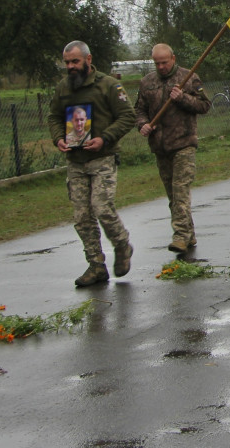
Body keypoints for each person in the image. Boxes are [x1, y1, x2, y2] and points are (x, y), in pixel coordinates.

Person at [47, 40, 136, 287]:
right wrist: (58, 139)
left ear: (88, 59)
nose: (70, 67)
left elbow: (128, 116)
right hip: (75, 160)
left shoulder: (108, 85)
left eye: (75, 61)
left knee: (102, 208)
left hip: (102, 158)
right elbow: (54, 116)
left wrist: (104, 138)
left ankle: (122, 244)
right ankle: (96, 264)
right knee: (82, 216)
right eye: (66, 62)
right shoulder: (63, 88)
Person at [134, 43, 211, 254]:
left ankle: (179, 236)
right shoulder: (146, 82)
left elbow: (204, 105)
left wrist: (182, 98)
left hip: (184, 143)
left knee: (180, 191)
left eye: (164, 62)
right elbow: (139, 110)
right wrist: (143, 125)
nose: (161, 67)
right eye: (157, 63)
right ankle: (189, 234)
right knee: (172, 196)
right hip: (160, 146)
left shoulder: (189, 78)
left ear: (173, 58)